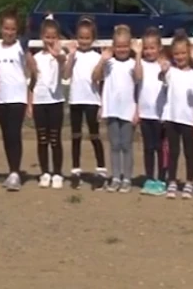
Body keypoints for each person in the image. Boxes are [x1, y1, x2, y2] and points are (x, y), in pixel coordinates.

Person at [92, 25, 143, 193]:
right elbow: (95, 77)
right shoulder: (109, 63)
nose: (122, 49)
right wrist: (102, 60)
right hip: (111, 109)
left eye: (125, 46)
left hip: (128, 110)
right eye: (118, 46)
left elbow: (139, 77)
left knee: (126, 145)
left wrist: (137, 55)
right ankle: (115, 177)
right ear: (113, 46)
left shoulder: (132, 63)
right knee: (114, 145)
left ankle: (127, 178)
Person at [0, 8, 31, 192]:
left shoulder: (20, 47)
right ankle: (11, 169)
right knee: (6, 135)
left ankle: (15, 172)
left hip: (17, 97)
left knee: (14, 134)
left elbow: (29, 43)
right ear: (0, 29)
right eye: (6, 28)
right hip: (2, 98)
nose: (9, 32)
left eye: (13, 29)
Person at [159, 30, 193, 199]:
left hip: (188, 119)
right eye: (176, 53)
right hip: (171, 118)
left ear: (189, 53)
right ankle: (172, 180)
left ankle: (190, 182)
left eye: (183, 53)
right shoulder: (170, 72)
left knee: (189, 152)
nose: (180, 56)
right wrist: (163, 69)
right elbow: (161, 77)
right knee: (173, 151)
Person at [64, 16, 106, 189]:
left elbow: (99, 78)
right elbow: (66, 75)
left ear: (93, 39)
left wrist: (103, 60)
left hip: (91, 100)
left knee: (94, 135)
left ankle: (101, 170)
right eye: (81, 37)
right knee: (75, 136)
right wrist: (71, 56)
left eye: (87, 38)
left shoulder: (96, 57)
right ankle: (75, 170)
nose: (84, 41)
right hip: (76, 100)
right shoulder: (74, 55)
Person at [30, 17, 67, 189]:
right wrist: (30, 102)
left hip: (55, 101)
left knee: (55, 138)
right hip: (40, 101)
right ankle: (45, 172)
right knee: (42, 138)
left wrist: (58, 56)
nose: (50, 40)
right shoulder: (37, 57)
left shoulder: (61, 56)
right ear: (42, 37)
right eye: (47, 37)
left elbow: (65, 72)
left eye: (53, 37)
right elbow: (32, 81)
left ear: (58, 37)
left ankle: (57, 173)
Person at [136, 28, 167, 196]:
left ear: (159, 48)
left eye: (152, 48)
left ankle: (162, 178)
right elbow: (138, 77)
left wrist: (165, 70)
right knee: (148, 148)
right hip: (145, 113)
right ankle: (149, 178)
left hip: (161, 115)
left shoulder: (163, 65)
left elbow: (168, 82)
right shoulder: (141, 64)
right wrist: (138, 56)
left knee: (160, 148)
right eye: (146, 48)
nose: (149, 51)